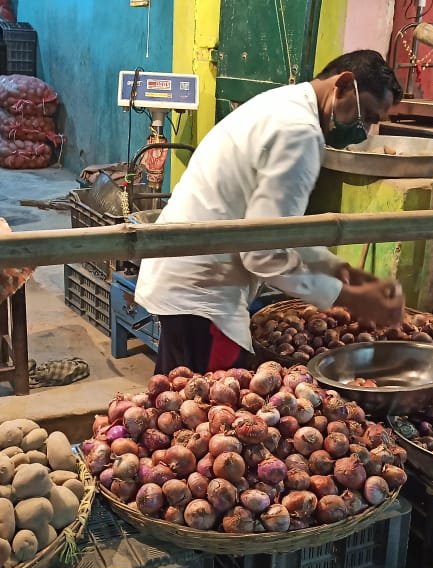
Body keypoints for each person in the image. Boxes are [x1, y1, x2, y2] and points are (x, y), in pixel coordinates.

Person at [134, 51, 407, 375]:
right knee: (206, 396)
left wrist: (337, 268)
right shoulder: (299, 132)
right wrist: (350, 298)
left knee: (177, 390)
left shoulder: (283, 106)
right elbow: (262, 253)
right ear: (344, 85)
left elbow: (275, 229)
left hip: (185, 276)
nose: (365, 131)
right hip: (204, 292)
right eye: (367, 116)